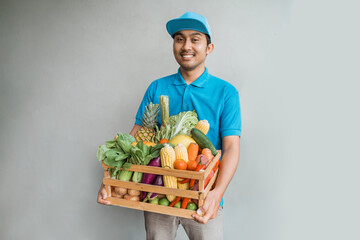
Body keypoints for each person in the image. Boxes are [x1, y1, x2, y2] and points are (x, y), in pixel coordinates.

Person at [98, 11, 241, 240]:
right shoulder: (157, 88)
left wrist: (217, 193)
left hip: (203, 195)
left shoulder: (226, 93)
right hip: (157, 193)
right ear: (173, 45)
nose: (186, 46)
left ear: (209, 48)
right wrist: (113, 181)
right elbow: (137, 136)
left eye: (195, 39)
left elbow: (232, 147)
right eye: (179, 39)